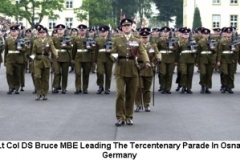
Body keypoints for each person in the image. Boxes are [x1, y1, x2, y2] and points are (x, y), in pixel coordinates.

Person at [108, 18, 151, 126]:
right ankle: (120, 117)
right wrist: (113, 57)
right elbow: (112, 52)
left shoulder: (137, 40)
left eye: (128, 25)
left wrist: (146, 61)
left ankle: (129, 116)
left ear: (132, 27)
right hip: (120, 68)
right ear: (121, 28)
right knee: (120, 93)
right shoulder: (117, 40)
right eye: (124, 26)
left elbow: (142, 51)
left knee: (131, 94)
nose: (126, 27)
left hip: (132, 69)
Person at [134, 29, 161, 112]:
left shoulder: (153, 45)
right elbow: (133, 54)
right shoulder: (136, 45)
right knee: (138, 87)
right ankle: (138, 104)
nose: (145, 39)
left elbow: (157, 53)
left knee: (147, 88)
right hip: (139, 67)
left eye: (146, 37)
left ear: (149, 37)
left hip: (149, 68)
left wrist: (159, 58)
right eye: (143, 37)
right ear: (140, 37)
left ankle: (146, 104)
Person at [31, 26, 58, 100]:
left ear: (46, 34)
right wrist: (32, 59)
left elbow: (52, 48)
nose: (42, 34)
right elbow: (33, 52)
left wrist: (55, 54)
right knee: (37, 77)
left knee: (45, 78)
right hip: (38, 60)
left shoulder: (49, 40)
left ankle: (45, 93)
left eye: (43, 33)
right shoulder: (35, 41)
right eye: (40, 33)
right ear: (38, 34)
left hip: (46, 60)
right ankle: (39, 92)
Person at [72, 24, 93, 94]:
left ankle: (85, 88)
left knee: (86, 74)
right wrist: (72, 58)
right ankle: (78, 88)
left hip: (87, 58)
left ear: (85, 30)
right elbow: (74, 49)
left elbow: (93, 48)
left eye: (83, 30)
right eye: (80, 30)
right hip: (78, 58)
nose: (82, 31)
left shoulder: (90, 39)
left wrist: (90, 48)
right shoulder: (76, 39)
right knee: (77, 73)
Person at [4, 25, 26, 94]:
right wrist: (5, 60)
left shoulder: (21, 39)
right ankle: (11, 87)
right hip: (9, 59)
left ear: (18, 32)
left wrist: (21, 49)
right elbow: (6, 51)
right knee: (9, 72)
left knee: (17, 74)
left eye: (15, 31)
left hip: (18, 58)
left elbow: (25, 49)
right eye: (12, 31)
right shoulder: (7, 39)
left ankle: (17, 87)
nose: (13, 32)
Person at [217, 27, 239, 93]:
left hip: (232, 59)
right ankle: (224, 85)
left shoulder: (235, 41)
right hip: (224, 59)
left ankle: (229, 87)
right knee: (224, 73)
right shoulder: (221, 41)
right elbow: (219, 51)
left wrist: (235, 49)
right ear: (224, 34)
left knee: (231, 74)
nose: (228, 34)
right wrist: (218, 60)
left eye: (229, 33)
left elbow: (238, 49)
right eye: (227, 33)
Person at [52, 24, 72, 94]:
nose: (60, 31)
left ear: (64, 30)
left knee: (64, 73)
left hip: (65, 57)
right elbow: (52, 47)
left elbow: (70, 47)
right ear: (57, 30)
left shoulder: (67, 38)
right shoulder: (54, 38)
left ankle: (64, 88)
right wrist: (53, 55)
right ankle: (56, 86)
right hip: (56, 57)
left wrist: (65, 46)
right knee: (57, 72)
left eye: (61, 29)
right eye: (59, 29)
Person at [157, 26, 178, 94]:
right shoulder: (159, 40)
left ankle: (168, 88)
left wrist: (176, 60)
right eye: (164, 32)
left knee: (169, 74)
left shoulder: (173, 40)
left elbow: (177, 50)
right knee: (163, 73)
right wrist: (157, 59)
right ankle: (163, 87)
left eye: (167, 32)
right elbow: (157, 50)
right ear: (162, 33)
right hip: (162, 58)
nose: (166, 33)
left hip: (171, 58)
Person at [195, 28, 216, 94]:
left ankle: (207, 87)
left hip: (210, 59)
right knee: (203, 73)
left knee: (209, 74)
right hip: (202, 59)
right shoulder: (200, 42)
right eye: (204, 34)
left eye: (207, 34)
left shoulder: (212, 41)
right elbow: (198, 52)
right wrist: (196, 61)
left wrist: (213, 49)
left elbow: (215, 51)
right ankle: (202, 85)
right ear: (202, 34)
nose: (206, 35)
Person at [94, 25, 114, 94]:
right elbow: (96, 50)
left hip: (109, 58)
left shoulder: (112, 40)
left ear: (107, 32)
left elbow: (115, 49)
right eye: (101, 32)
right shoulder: (97, 40)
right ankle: (100, 86)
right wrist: (95, 60)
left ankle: (107, 88)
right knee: (100, 72)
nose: (102, 33)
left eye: (104, 32)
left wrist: (110, 51)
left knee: (108, 74)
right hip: (100, 58)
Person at [177, 28, 196, 94]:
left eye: (187, 34)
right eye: (184, 34)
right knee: (184, 73)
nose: (186, 35)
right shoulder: (179, 41)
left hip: (191, 59)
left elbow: (196, 50)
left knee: (190, 74)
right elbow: (177, 51)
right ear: (182, 35)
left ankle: (188, 88)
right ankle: (183, 86)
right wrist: (176, 60)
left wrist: (195, 51)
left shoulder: (193, 41)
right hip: (182, 59)